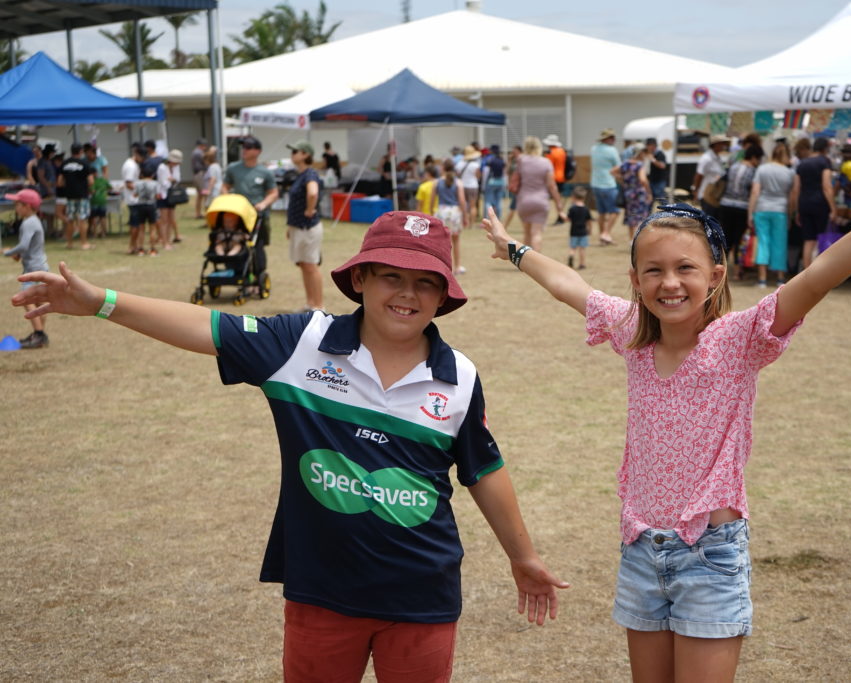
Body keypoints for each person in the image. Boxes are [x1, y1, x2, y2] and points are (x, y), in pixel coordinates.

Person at [480, 141, 851, 683]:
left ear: (715, 274)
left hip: (709, 557)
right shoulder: (632, 335)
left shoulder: (739, 339)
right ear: (635, 282)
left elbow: (820, 274)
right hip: (640, 547)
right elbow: (569, 284)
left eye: (685, 267)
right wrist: (513, 249)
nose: (669, 282)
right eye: (653, 271)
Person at [13, 209, 569, 683]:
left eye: (425, 281)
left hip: (422, 597)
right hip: (320, 592)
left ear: (444, 295)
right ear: (362, 279)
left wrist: (523, 557)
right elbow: (208, 326)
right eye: (391, 276)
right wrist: (103, 302)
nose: (406, 293)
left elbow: (484, 470)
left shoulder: (459, 378)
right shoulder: (302, 345)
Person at [223, 136, 278, 276]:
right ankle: (237, 273)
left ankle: (258, 275)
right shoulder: (233, 168)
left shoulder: (265, 172)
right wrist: (228, 199)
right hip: (238, 215)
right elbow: (225, 186)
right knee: (235, 242)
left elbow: (273, 193)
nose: (244, 150)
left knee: (257, 246)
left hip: (257, 215)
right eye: (243, 147)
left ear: (257, 151)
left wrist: (263, 204)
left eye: (248, 147)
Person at [3, 188, 49, 348]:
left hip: (33, 269)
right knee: (38, 303)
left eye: (18, 204)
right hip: (39, 265)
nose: (16, 207)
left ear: (27, 206)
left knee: (25, 298)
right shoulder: (34, 220)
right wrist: (18, 256)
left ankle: (39, 335)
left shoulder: (28, 222)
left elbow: (23, 245)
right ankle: (39, 334)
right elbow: (29, 247)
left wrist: (7, 252)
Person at [748, 143, 798, 288]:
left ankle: (762, 278)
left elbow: (755, 192)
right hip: (780, 210)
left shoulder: (762, 169)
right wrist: (791, 214)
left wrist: (750, 212)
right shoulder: (789, 173)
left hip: (762, 208)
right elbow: (792, 196)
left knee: (763, 242)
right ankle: (780, 278)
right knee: (780, 244)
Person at [286, 141, 324, 311]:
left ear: (305, 155)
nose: (292, 154)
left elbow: (313, 192)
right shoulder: (301, 174)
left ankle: (319, 305)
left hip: (307, 227)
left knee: (310, 265)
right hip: (298, 226)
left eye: (295, 151)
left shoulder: (310, 174)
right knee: (304, 265)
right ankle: (310, 303)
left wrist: (310, 209)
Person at [512, 135, 566, 252]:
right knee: (536, 234)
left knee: (527, 234)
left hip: (524, 200)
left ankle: (525, 264)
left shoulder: (521, 160)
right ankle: (537, 265)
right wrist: (559, 205)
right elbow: (552, 186)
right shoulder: (546, 162)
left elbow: (514, 179)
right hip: (541, 201)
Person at [718, 144, 764, 273]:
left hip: (725, 204)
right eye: (758, 159)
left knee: (725, 238)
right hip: (742, 207)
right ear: (754, 157)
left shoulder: (733, 166)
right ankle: (738, 269)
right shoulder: (754, 171)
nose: (759, 162)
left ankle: (722, 267)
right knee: (739, 239)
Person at [793, 137, 837, 271]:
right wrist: (833, 208)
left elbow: (796, 188)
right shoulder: (825, 162)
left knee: (808, 240)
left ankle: (806, 272)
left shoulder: (802, 163)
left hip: (804, 203)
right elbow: (827, 186)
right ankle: (820, 272)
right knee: (822, 238)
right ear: (825, 149)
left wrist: (797, 210)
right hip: (820, 204)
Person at [430, 159, 469, 275]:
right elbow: (462, 201)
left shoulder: (436, 182)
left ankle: (441, 266)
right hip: (455, 213)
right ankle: (457, 266)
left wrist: (432, 211)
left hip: (441, 211)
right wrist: (465, 216)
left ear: (443, 168)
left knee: (441, 242)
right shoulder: (458, 182)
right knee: (456, 241)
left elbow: (432, 200)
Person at [58, 143, 95, 251]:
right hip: (82, 195)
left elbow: (59, 182)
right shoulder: (84, 163)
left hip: (69, 195)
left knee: (70, 220)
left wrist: (69, 184)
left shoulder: (64, 163)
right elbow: (91, 181)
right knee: (82, 219)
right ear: (81, 151)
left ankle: (69, 243)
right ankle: (84, 243)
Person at [591, 128, 622, 245]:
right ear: (607, 139)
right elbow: (618, 166)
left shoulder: (594, 148)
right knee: (615, 211)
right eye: (612, 137)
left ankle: (602, 236)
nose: (614, 140)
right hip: (608, 184)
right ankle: (606, 233)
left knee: (601, 212)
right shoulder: (612, 150)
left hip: (595, 184)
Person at [614, 147, 652, 239]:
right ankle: (639, 239)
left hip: (628, 193)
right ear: (639, 154)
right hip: (639, 194)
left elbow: (613, 171)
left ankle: (631, 240)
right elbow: (643, 180)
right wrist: (649, 192)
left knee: (631, 216)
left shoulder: (625, 164)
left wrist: (623, 180)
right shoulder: (639, 165)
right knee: (641, 216)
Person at [690, 134, 730, 218]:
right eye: (721, 143)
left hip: (715, 194)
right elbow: (699, 175)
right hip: (706, 194)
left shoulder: (718, 158)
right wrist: (695, 190)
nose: (723, 146)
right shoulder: (706, 158)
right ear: (715, 144)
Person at [157, 149, 183, 249]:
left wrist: (171, 180)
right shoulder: (162, 168)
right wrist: (172, 180)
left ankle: (169, 240)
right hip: (163, 195)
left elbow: (178, 179)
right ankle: (164, 242)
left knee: (171, 219)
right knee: (164, 220)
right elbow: (164, 183)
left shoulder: (176, 168)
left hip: (172, 195)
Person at [121, 144, 145, 255]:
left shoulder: (133, 164)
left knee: (137, 224)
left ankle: (135, 245)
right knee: (135, 225)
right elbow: (129, 183)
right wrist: (142, 189)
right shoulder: (131, 166)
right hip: (133, 199)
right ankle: (132, 246)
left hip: (134, 199)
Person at [136, 164, 161, 256]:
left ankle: (141, 249)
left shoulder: (138, 183)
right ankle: (152, 249)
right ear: (152, 175)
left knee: (141, 228)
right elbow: (158, 196)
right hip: (151, 206)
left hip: (141, 205)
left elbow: (135, 194)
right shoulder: (155, 183)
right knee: (152, 229)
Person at [566, 185, 592, 270]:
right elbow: (589, 221)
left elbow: (568, 219)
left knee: (573, 247)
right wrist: (590, 230)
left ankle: (571, 255)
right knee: (582, 249)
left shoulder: (572, 209)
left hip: (573, 232)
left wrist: (562, 216)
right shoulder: (586, 209)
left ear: (573, 197)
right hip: (583, 232)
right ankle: (582, 264)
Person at [455, 146, 482, 227]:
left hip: (462, 186)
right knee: (473, 206)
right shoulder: (476, 164)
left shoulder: (459, 164)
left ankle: (464, 223)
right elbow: (478, 176)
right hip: (473, 186)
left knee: (463, 205)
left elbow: (457, 175)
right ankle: (471, 223)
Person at [482, 144, 507, 221]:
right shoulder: (502, 160)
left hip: (491, 181)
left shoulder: (489, 160)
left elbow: (486, 172)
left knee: (488, 201)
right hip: (500, 182)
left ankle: (487, 218)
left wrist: (483, 185)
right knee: (498, 201)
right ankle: (498, 218)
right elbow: (504, 173)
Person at [644, 137, 669, 206]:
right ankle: (648, 215)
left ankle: (668, 212)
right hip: (651, 180)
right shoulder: (648, 154)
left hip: (659, 181)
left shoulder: (659, 154)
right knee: (649, 199)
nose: (648, 147)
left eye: (649, 145)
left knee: (661, 198)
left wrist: (653, 160)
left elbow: (662, 166)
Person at [89, 171, 111, 240]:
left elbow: (92, 192)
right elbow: (110, 188)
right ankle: (103, 233)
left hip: (94, 201)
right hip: (103, 201)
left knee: (94, 217)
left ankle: (95, 233)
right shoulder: (103, 180)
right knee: (103, 217)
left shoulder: (92, 182)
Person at [191, 138, 209, 218]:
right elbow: (206, 161)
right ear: (202, 145)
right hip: (201, 174)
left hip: (196, 175)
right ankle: (207, 212)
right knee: (205, 194)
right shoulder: (199, 153)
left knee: (199, 195)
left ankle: (198, 213)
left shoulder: (194, 152)